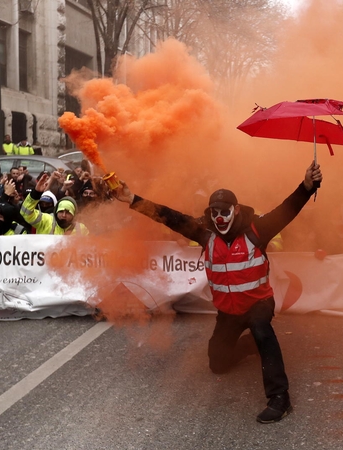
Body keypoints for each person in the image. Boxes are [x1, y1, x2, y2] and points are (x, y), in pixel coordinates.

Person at [112, 162, 323, 423]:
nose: (219, 217)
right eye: (214, 212)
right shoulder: (206, 233)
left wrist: (306, 186)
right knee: (217, 363)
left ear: (235, 210)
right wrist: (132, 199)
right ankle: (248, 346)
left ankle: (280, 397)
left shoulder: (258, 229)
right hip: (228, 311)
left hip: (258, 303)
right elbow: (169, 217)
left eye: (224, 212)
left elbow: (287, 210)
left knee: (261, 328)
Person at [20, 172, 88, 235]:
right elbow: (25, 213)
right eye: (61, 211)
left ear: (74, 214)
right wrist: (36, 193)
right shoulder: (45, 221)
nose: (63, 215)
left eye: (68, 212)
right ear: (56, 211)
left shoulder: (82, 229)